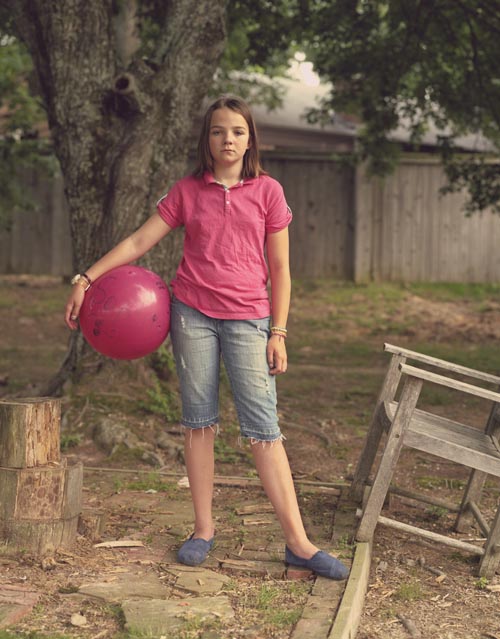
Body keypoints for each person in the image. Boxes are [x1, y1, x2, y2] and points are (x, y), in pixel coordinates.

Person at [65, 95, 349, 580]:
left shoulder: (268, 192)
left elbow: (281, 270)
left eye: (237, 131)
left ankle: (298, 543)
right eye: (218, 131)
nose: (228, 140)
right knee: (199, 422)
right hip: (191, 314)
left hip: (249, 319)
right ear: (207, 139)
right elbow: (138, 242)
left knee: (263, 427)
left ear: (250, 138)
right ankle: (202, 530)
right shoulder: (186, 191)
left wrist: (278, 331)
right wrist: (87, 279)